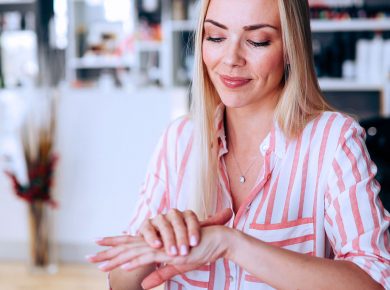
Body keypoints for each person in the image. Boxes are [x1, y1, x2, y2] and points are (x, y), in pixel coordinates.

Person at [88, 0, 390, 289]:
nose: (231, 58)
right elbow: (121, 283)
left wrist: (231, 244)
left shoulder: (334, 140)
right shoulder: (179, 139)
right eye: (216, 37)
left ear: (290, 48)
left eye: (257, 41)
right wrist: (152, 242)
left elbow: (374, 282)